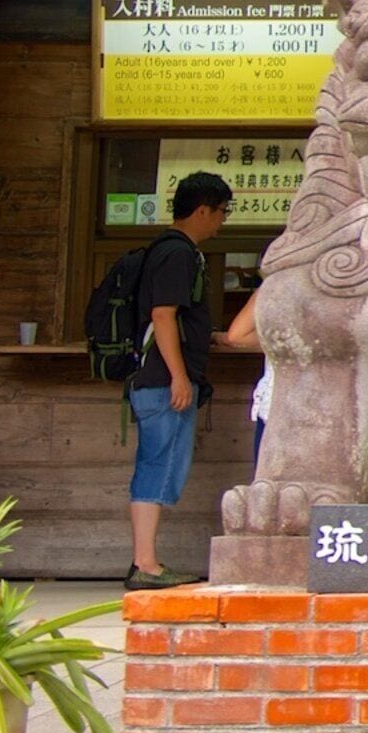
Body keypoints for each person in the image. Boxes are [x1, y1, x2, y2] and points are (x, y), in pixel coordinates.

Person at [126, 171, 233, 590]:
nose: (221, 221)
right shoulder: (177, 253)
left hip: (154, 377)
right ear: (202, 209)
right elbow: (163, 315)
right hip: (161, 380)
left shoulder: (168, 250)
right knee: (158, 465)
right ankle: (146, 564)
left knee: (157, 464)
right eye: (222, 212)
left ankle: (145, 561)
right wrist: (179, 376)